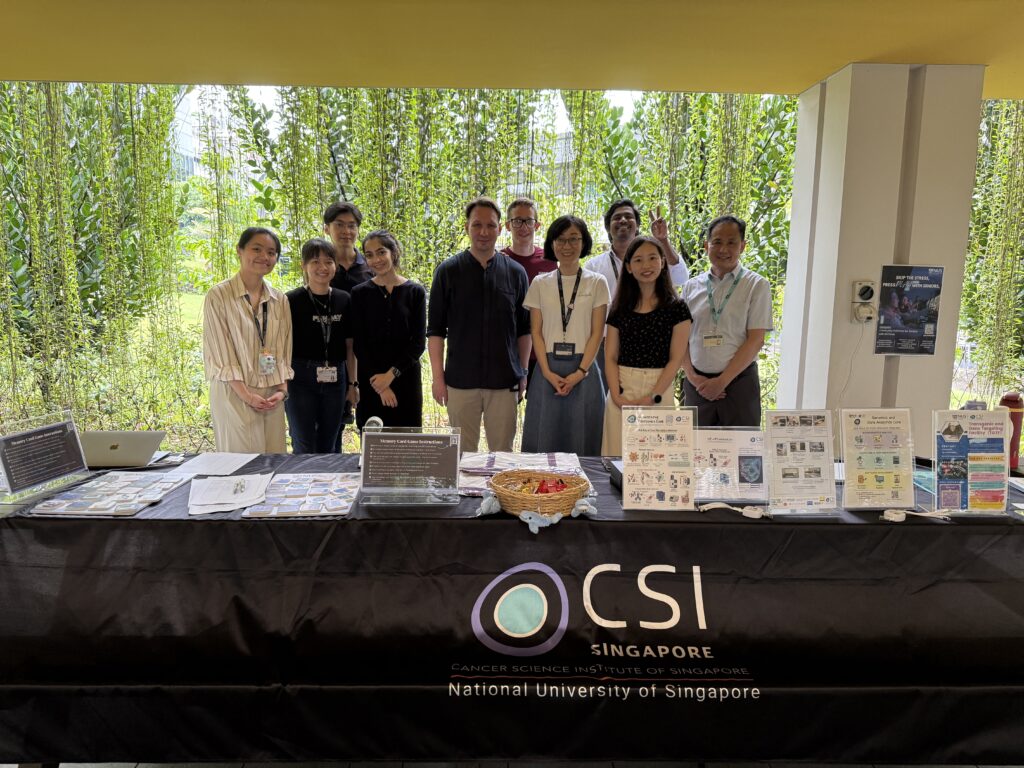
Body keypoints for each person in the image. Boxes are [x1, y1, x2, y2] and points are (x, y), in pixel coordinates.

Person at [427, 197, 531, 452]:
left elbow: (524, 330)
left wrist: (523, 373)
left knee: (502, 454)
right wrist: (438, 379)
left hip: (504, 381)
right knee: (462, 455)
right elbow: (436, 332)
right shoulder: (448, 271)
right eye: (477, 225)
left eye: (490, 225)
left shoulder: (516, 273)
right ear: (467, 228)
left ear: (500, 228)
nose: (484, 232)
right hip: (460, 381)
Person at [521, 216, 609, 455]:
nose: (567, 245)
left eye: (574, 239)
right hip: (547, 369)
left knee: (584, 439)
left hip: (584, 369)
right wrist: (547, 372)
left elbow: (597, 333)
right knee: (544, 436)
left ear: (584, 242)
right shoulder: (540, 283)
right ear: (552, 243)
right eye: (560, 239)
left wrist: (579, 373)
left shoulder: (597, 282)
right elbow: (536, 332)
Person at [203, 227, 293, 453]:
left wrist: (281, 391)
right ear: (239, 251)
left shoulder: (279, 299)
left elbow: (282, 349)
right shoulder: (218, 295)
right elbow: (222, 353)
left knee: (273, 459)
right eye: (257, 249)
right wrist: (246, 395)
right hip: (234, 392)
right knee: (241, 463)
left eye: (271, 252)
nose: (264, 257)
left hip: (271, 392)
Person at [602, 236, 691, 456]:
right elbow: (610, 356)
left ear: (662, 262)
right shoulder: (619, 308)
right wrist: (616, 396)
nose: (646, 265)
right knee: (616, 458)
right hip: (622, 388)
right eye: (638, 260)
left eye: (652, 258)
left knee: (656, 461)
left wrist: (654, 396)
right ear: (629, 267)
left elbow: (676, 359)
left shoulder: (677, 308)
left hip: (659, 389)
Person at [680, 215, 773, 427]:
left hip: (739, 385)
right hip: (698, 386)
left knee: (741, 445)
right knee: (695, 444)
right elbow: (680, 338)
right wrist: (692, 377)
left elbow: (756, 340)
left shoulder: (756, 285)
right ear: (706, 246)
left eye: (731, 242)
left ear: (743, 246)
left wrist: (722, 382)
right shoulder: (690, 287)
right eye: (717, 242)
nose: (724, 249)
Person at [284, 238, 356, 453]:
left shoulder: (344, 299)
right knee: (303, 443)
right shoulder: (291, 300)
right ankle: (303, 476)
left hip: (336, 377)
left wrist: (353, 384)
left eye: (328, 261)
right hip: (300, 378)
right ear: (304, 266)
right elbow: (282, 346)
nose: (322, 267)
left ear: (335, 265)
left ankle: (328, 477)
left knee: (330, 442)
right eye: (315, 261)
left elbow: (350, 346)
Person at [350, 231, 427, 430]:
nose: (376, 259)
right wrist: (380, 385)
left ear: (394, 252)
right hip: (371, 381)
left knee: (407, 441)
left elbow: (418, 344)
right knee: (373, 442)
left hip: (406, 379)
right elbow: (359, 344)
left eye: (381, 252)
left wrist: (390, 376)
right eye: (369, 255)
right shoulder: (359, 293)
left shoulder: (415, 292)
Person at [502, 196, 557, 389]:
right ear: (507, 225)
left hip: (541, 350)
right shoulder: (500, 260)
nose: (523, 227)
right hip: (508, 350)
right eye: (517, 221)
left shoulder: (549, 261)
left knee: (540, 404)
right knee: (507, 405)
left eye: (529, 221)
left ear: (537, 225)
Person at [324, 201, 373, 293]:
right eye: (339, 225)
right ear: (326, 229)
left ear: (358, 230)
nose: (346, 231)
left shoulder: (371, 264)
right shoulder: (321, 267)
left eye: (351, 226)